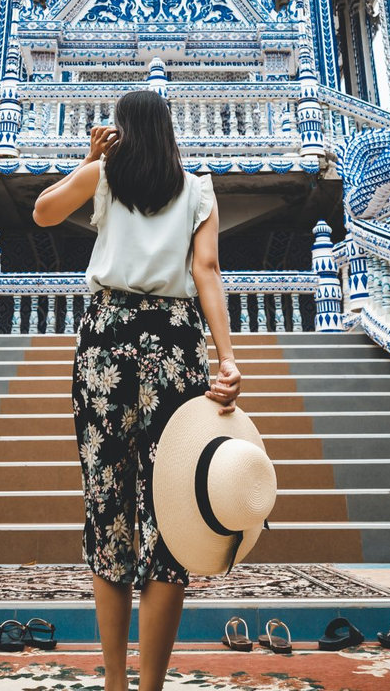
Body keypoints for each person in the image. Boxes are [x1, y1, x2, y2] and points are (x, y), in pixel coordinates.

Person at [32, 87, 240, 691]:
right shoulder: (198, 187)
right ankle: (148, 686)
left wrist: (90, 161)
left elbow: (44, 210)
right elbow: (207, 271)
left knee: (107, 506)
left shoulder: (104, 178)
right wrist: (226, 360)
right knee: (170, 515)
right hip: (175, 348)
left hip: (105, 344)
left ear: (121, 130)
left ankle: (115, 685)